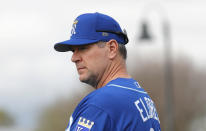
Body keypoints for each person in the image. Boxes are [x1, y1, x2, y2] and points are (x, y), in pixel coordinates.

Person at [54, 12, 161, 131]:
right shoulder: (142, 97)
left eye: (83, 48)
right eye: (73, 51)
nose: (74, 58)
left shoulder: (101, 103)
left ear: (112, 48)